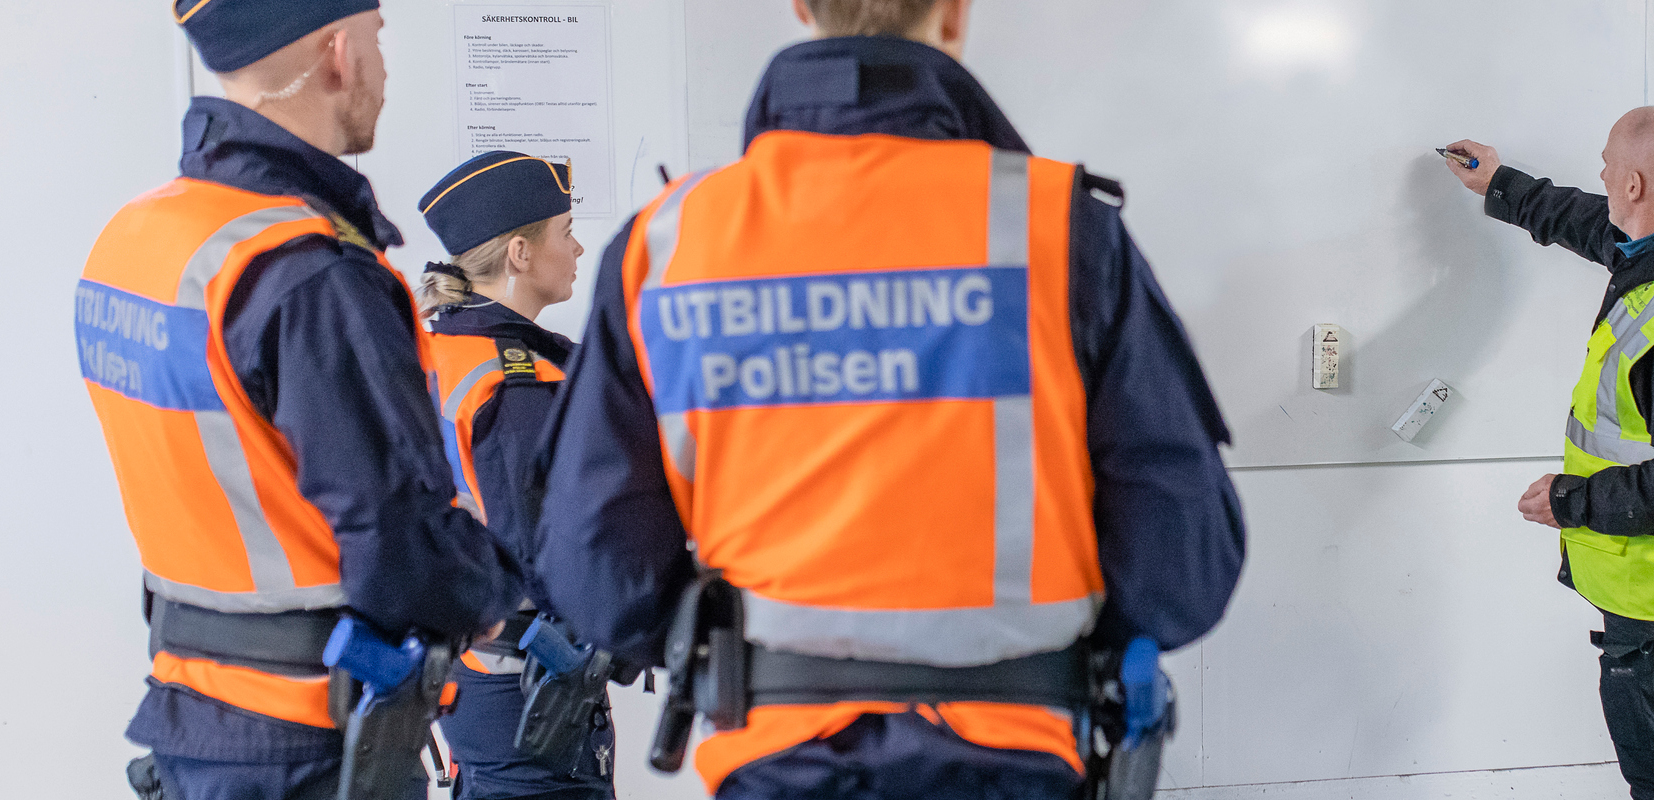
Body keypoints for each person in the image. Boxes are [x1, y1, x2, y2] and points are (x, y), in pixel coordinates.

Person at [528, 0, 1247, 797]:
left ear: (800, 7)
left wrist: (722, 646)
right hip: (1015, 754)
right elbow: (1182, 564)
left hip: (774, 757)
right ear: (955, 12)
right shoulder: (1055, 227)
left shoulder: (667, 244)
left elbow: (597, 567)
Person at [75, 1, 515, 797]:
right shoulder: (312, 273)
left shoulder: (138, 240)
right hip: (308, 741)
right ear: (338, 52)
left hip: (194, 718)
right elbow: (395, 538)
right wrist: (494, 591)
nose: (383, 69)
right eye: (379, 43)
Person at [1441, 107, 1654, 800]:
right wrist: (1504, 184)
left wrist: (1569, 501)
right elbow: (1595, 223)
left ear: (1635, 185)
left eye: (1608, 166)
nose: (1600, 175)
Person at [414, 151, 614, 800]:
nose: (579, 247)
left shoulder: (435, 350)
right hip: (529, 682)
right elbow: (545, 547)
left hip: (468, 677)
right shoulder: (516, 379)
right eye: (565, 231)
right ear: (521, 254)